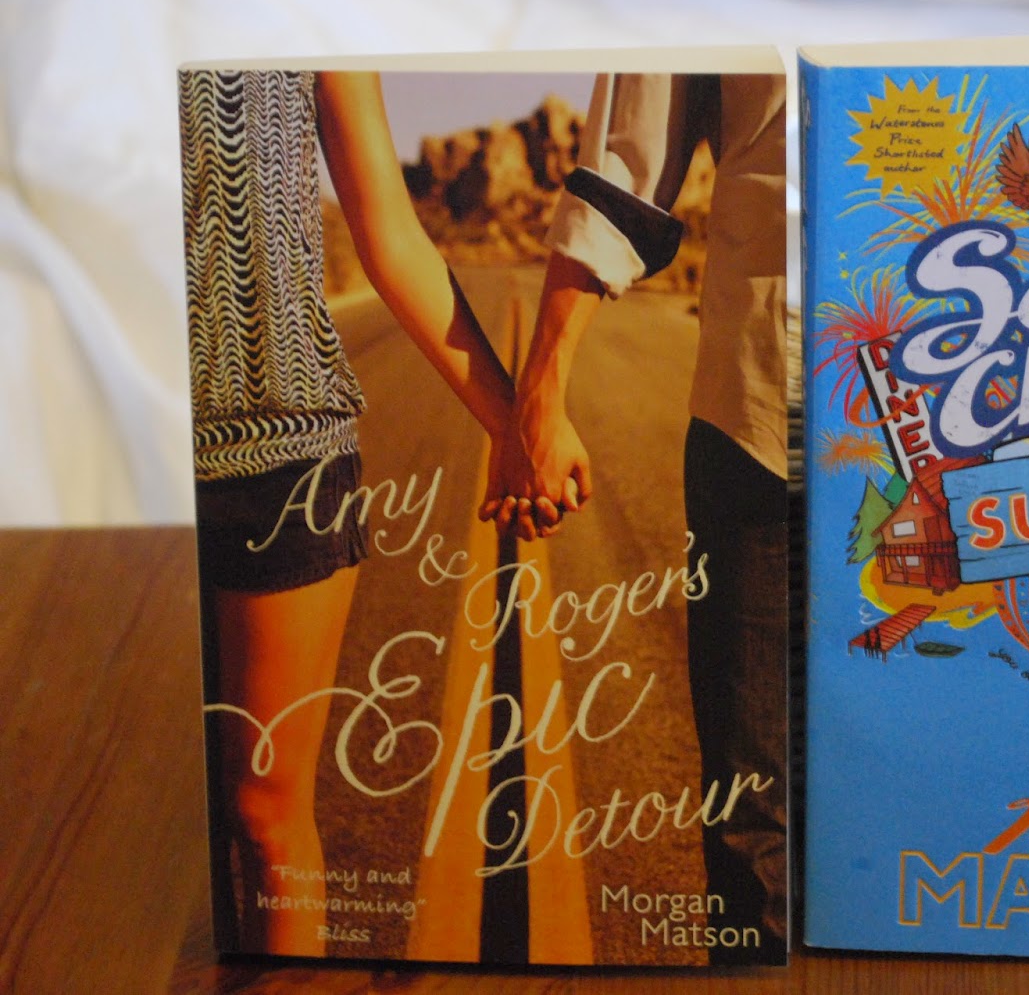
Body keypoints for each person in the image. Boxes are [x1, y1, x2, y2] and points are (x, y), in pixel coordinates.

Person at [184, 68, 526, 955]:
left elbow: (390, 231)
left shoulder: (313, 0)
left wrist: (515, 424)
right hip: (98, 448)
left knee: (262, 816)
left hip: (278, 448)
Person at [505, 72, 789, 963]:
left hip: (987, 423)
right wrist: (541, 397)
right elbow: (628, 164)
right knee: (754, 830)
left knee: (955, 808)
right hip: (762, 422)